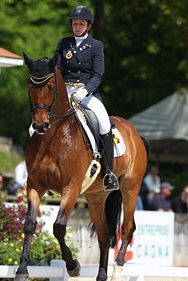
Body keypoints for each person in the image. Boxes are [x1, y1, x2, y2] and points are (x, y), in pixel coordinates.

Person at [55, 6, 119, 191]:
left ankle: (108, 172)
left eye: (81, 24)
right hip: (64, 92)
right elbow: (57, 69)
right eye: (75, 24)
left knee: (104, 123)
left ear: (88, 25)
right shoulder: (64, 43)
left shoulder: (96, 46)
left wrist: (85, 90)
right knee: (38, 124)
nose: (77, 27)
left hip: (86, 93)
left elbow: (98, 75)